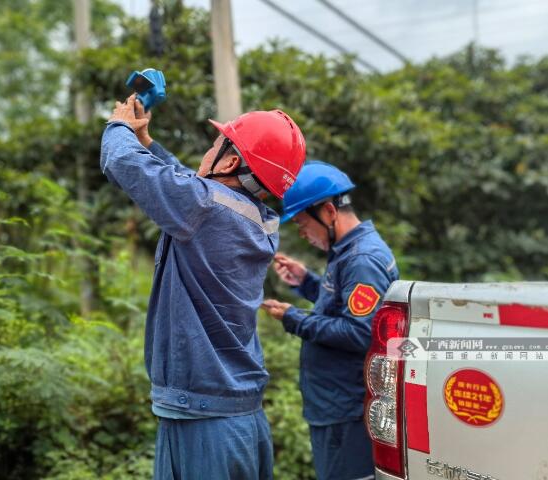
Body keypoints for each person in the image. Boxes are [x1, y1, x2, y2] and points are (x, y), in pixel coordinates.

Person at [100, 94, 306, 479]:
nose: (208, 149)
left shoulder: (205, 208)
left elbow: (121, 161)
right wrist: (148, 144)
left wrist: (119, 126)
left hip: (203, 422)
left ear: (229, 161)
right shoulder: (260, 221)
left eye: (216, 144)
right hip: (241, 419)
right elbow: (191, 187)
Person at [261, 161, 399, 480]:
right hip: (335, 406)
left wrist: (293, 319)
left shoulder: (361, 260)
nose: (303, 234)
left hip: (346, 410)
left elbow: (358, 332)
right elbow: (345, 307)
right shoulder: (347, 252)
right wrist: (306, 282)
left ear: (327, 212)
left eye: (301, 224)